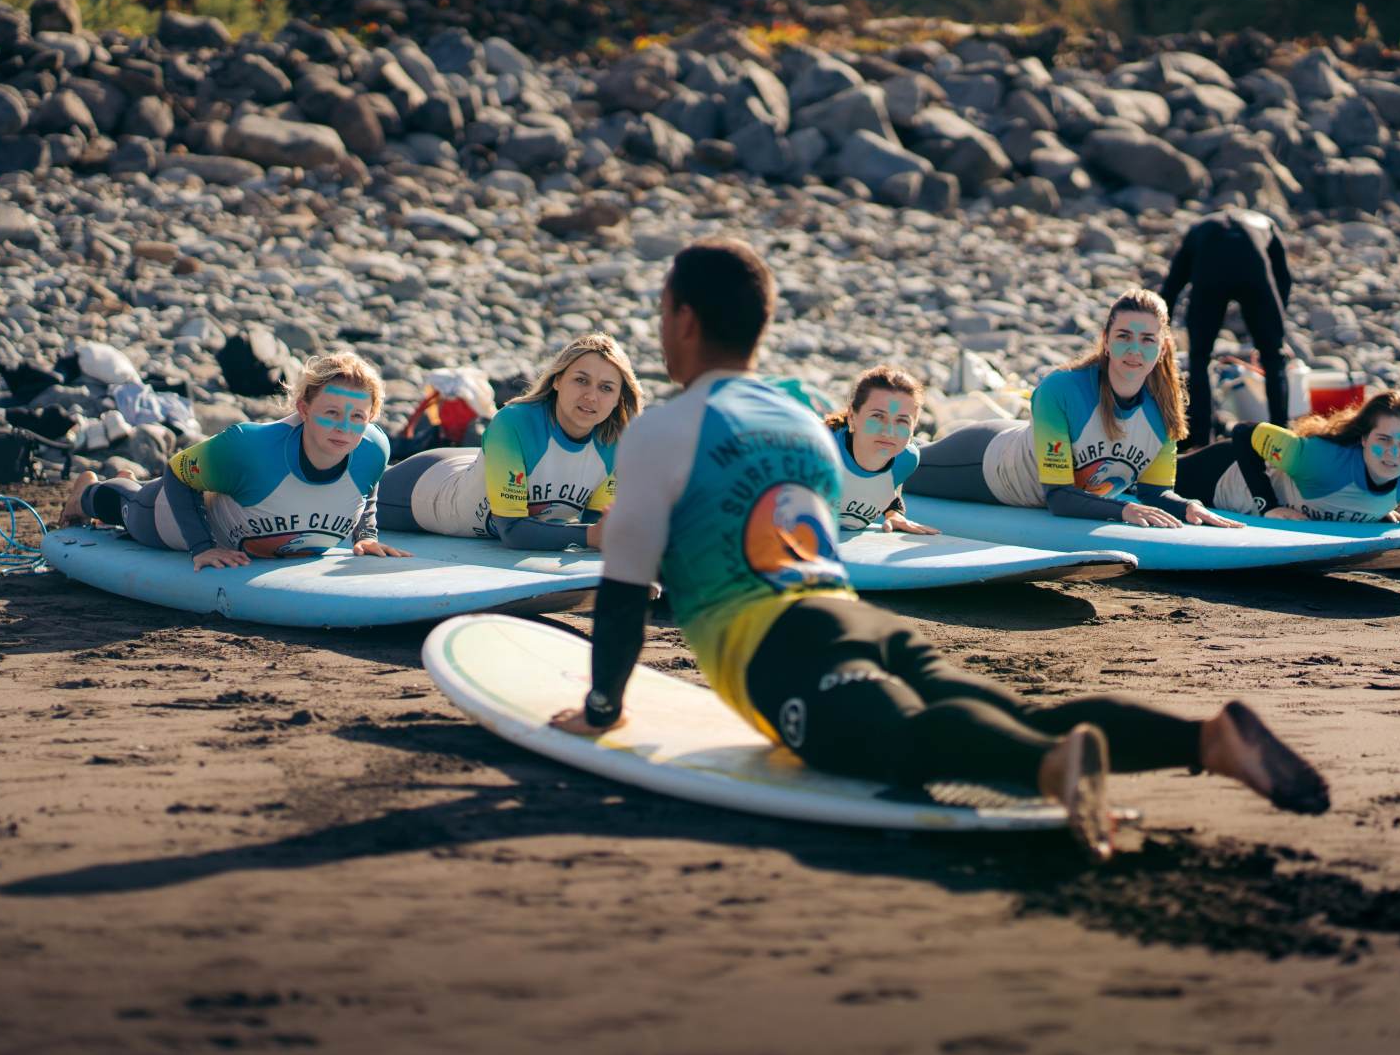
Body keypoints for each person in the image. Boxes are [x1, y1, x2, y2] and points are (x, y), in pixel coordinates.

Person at [551, 239, 1330, 861]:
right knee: (1008, 713)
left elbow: (624, 590)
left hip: (778, 651)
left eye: (663, 313)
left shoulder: (663, 429)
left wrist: (601, 709)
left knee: (896, 741)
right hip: (857, 621)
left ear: (683, 320)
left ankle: (1050, 770)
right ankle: (1203, 739)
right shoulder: (802, 428)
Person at [907, 288, 1242, 530]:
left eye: (1147, 340)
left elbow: (1154, 492)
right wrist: (1123, 510)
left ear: (1163, 347)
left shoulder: (1165, 406)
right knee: (900, 464)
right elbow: (1059, 497)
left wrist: (1189, 507)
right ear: (1106, 340)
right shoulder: (1063, 389)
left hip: (1017, 457)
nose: (1134, 350)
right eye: (1124, 336)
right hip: (986, 466)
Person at [58, 351, 403, 567]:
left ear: (371, 418)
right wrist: (202, 547)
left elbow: (367, 483)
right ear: (304, 409)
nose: (344, 427)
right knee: (131, 510)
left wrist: (365, 534)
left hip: (249, 523)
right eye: (331, 412)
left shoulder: (373, 448)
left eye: (357, 416)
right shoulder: (250, 448)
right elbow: (177, 471)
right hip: (181, 519)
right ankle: (88, 493)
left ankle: (126, 483)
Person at [377, 333, 640, 551]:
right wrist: (591, 536)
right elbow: (513, 531)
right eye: (581, 380)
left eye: (606, 387)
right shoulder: (514, 422)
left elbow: (598, 527)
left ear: (619, 397)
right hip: (424, 492)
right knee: (357, 504)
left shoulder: (618, 445)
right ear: (558, 380)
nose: (591, 396)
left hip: (475, 466)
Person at [1176, 389, 1400, 524]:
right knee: (1151, 484)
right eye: (1383, 440)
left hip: (1224, 503)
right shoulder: (1321, 460)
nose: (1393, 454)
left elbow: (1358, 495)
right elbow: (1244, 432)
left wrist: (1375, 512)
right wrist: (1268, 506)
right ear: (1363, 439)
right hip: (1213, 476)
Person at [1159, 210, 1294, 448]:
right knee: (1273, 358)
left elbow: (1173, 285)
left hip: (1210, 272)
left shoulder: (1198, 229)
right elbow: (1283, 278)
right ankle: (1282, 437)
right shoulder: (1266, 224)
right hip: (1253, 269)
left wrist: (1158, 328)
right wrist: (1275, 331)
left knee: (1199, 358)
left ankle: (1202, 439)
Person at [821, 365, 938, 534]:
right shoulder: (818, 451)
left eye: (902, 421)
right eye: (877, 416)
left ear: (913, 428)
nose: (889, 432)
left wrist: (894, 513)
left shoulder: (906, 458)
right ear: (852, 417)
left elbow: (885, 485)